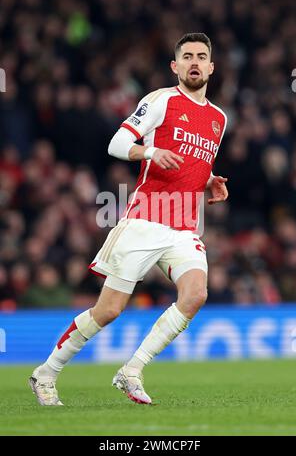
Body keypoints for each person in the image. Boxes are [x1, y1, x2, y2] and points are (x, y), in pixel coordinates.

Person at [29, 32, 229, 406]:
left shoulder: (218, 118)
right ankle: (46, 372)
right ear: (175, 65)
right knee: (109, 310)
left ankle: (132, 370)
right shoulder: (160, 101)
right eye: (187, 56)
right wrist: (150, 151)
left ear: (212, 67)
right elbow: (117, 143)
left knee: (196, 294)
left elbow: (195, 166)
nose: (195, 62)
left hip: (184, 226)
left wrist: (209, 182)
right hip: (145, 219)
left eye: (202, 56)